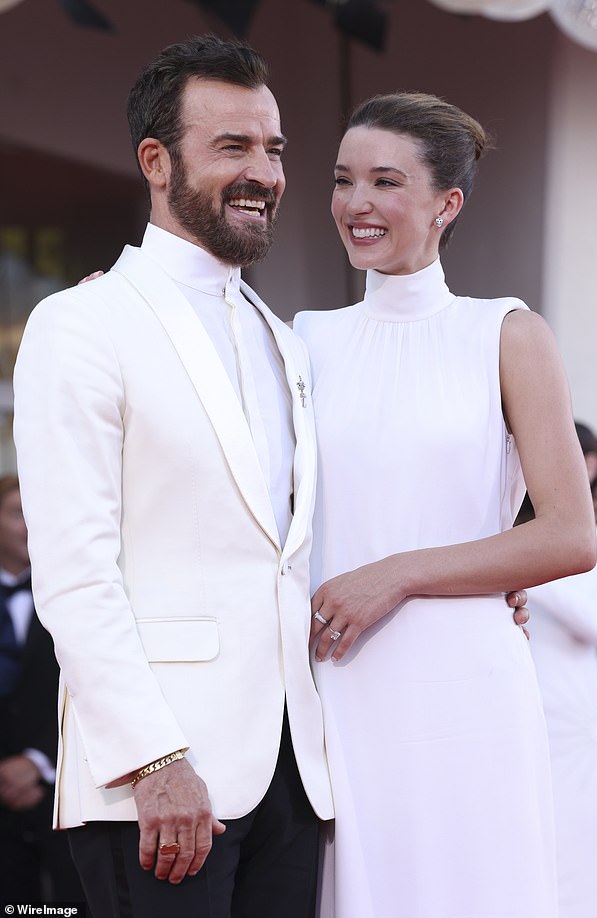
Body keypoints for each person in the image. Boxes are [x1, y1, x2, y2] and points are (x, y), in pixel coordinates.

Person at [12, 34, 334, 918]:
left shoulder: (285, 339)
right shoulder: (81, 324)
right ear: (156, 161)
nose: (263, 173)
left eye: (272, 149)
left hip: (291, 778)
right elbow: (75, 573)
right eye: (231, 147)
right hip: (159, 785)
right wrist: (155, 758)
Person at [293, 92, 596, 917]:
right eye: (343, 179)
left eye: (386, 181)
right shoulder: (302, 339)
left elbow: (570, 536)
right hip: (339, 685)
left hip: (467, 693)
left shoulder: (507, 333)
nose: (356, 204)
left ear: (446, 204)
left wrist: (395, 574)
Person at [525, 423, 597, 918]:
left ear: (589, 464)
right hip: (520, 720)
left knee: (588, 872)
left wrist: (523, 557)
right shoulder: (499, 528)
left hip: (579, 728)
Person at [0, 475, 85, 904]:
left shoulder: (74, 596)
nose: (29, 526)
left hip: (63, 793)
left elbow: (87, 683)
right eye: (18, 514)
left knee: (66, 906)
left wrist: (37, 761)